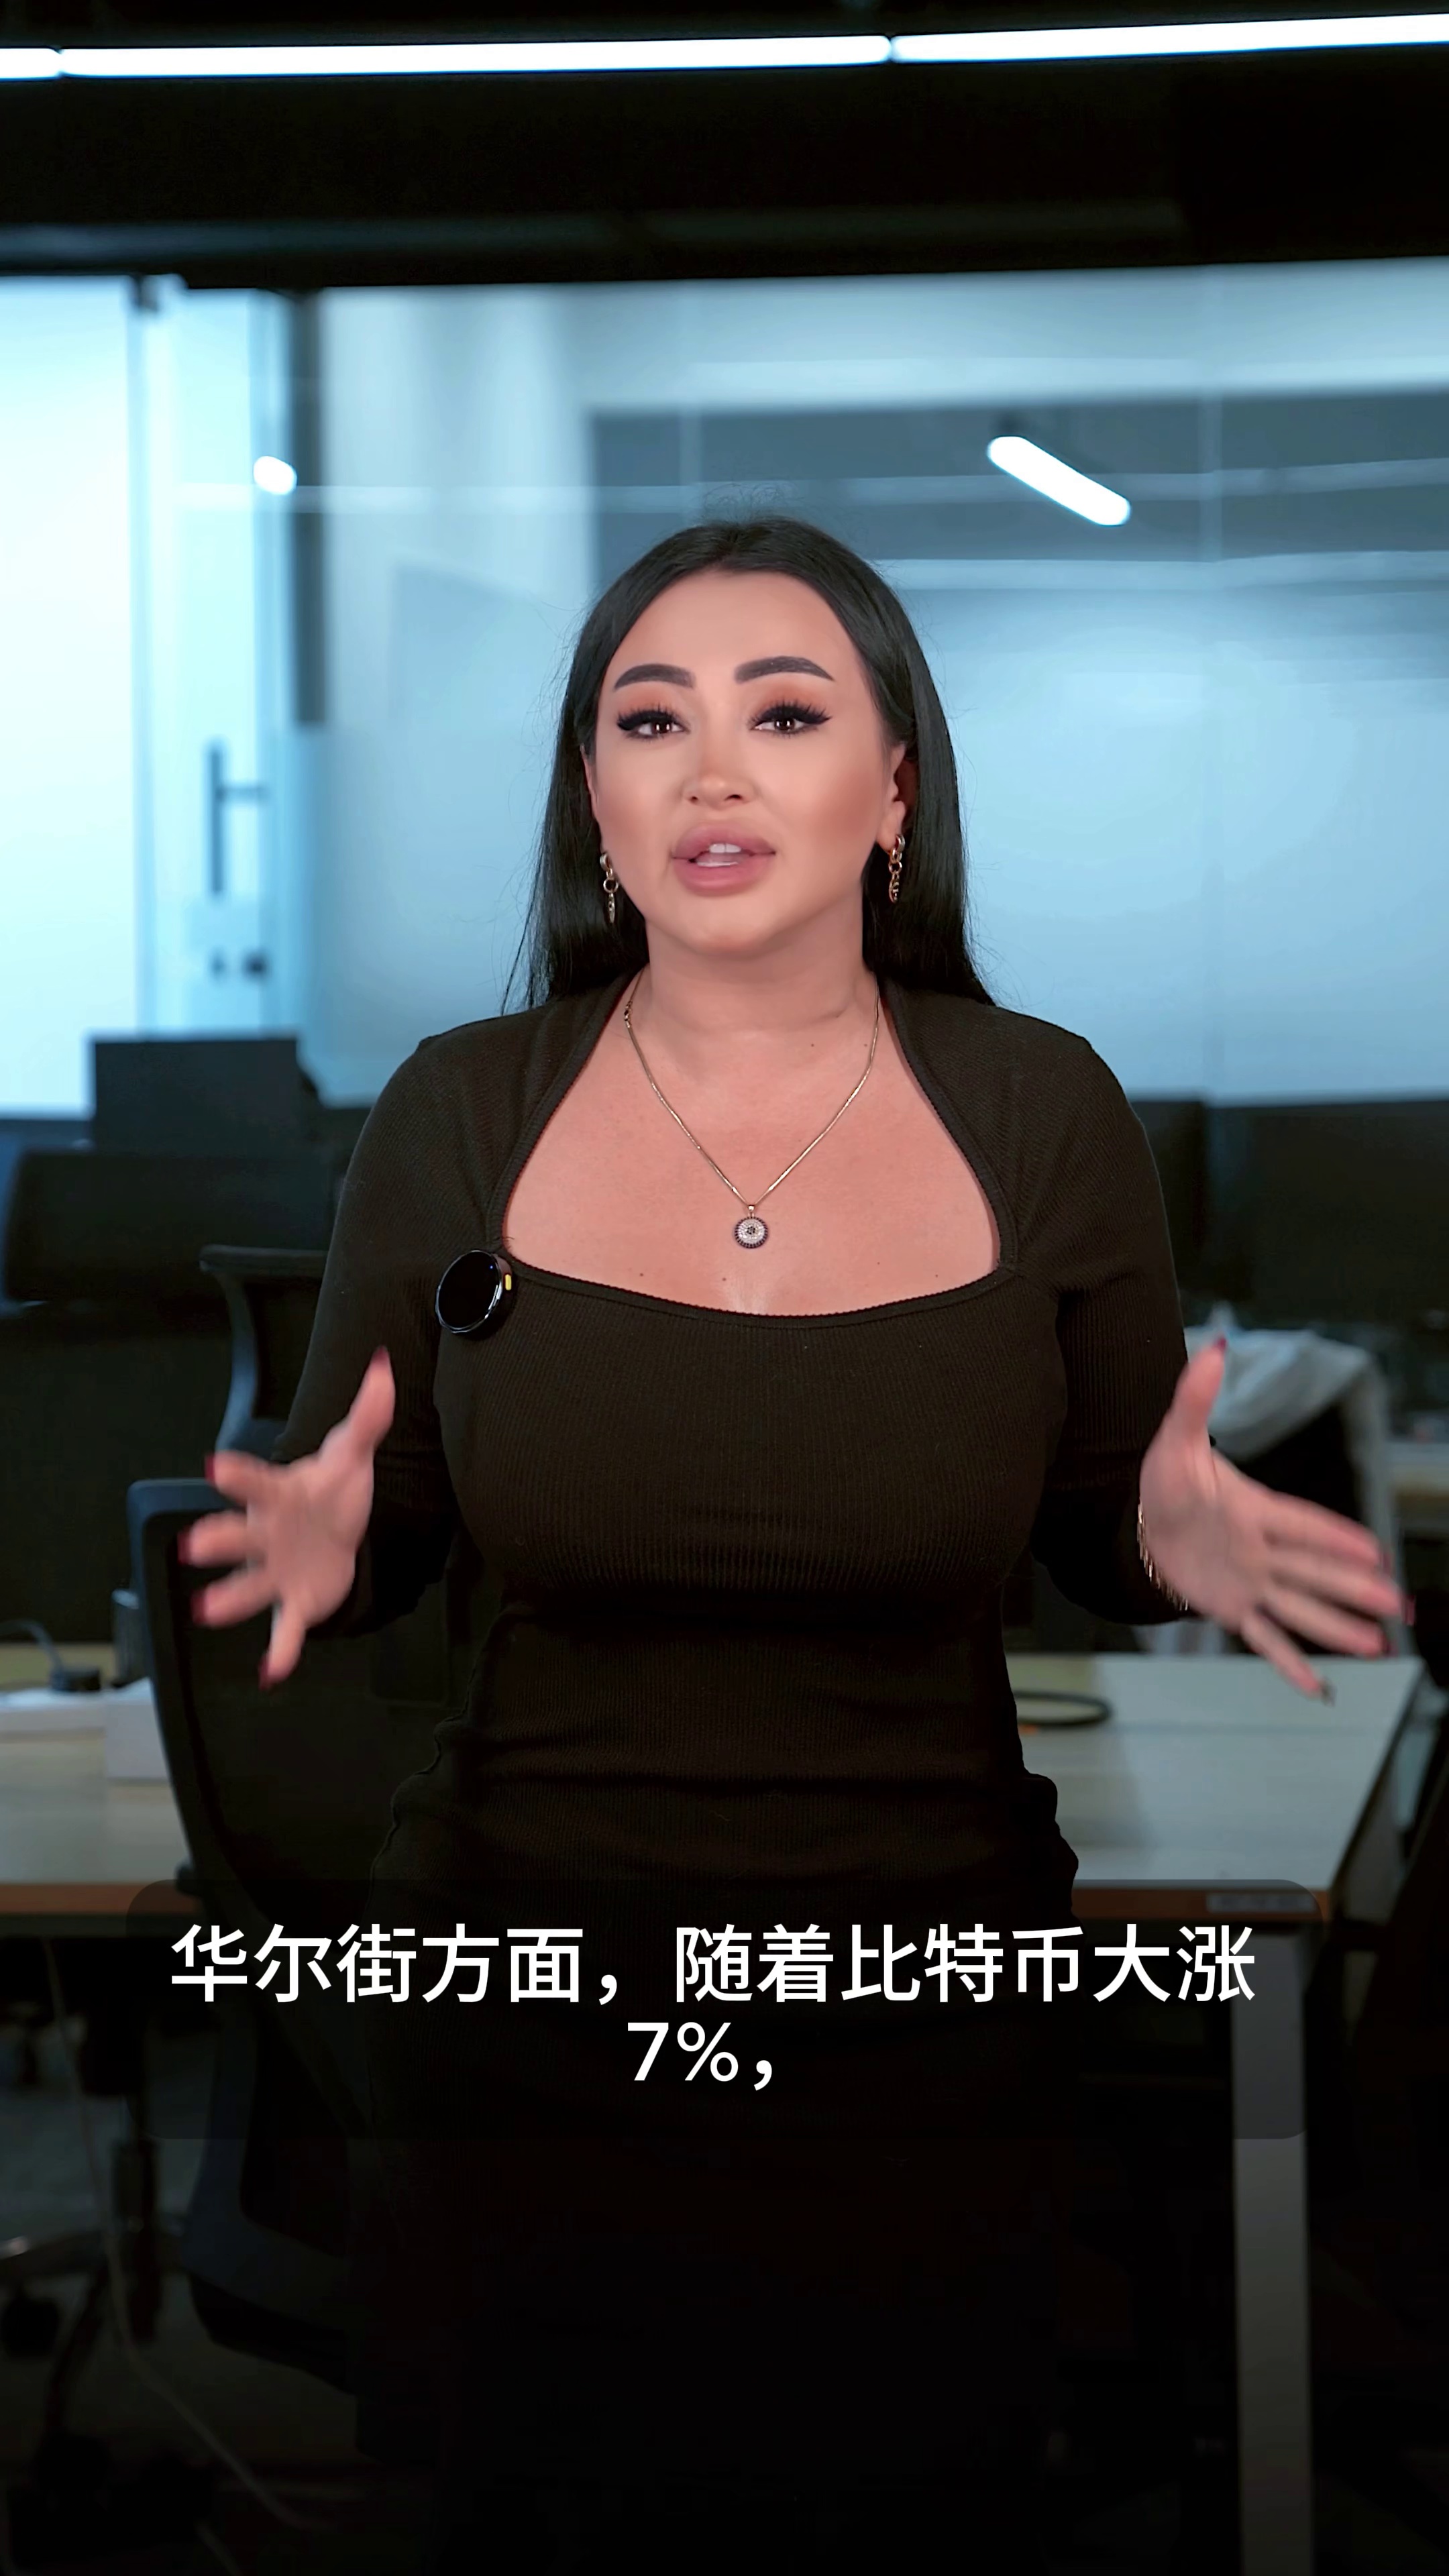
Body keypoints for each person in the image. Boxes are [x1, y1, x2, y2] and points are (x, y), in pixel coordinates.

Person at [180, 517, 1405, 2570]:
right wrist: (331, 1537)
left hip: (920, 2008)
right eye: (651, 720)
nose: (713, 771)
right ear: (593, 795)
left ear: (894, 790)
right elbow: (376, 1515)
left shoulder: (1042, 1113)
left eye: (785, 712)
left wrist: (1163, 1534)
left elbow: (1107, 1519)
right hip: (531, 2008)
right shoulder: (461, 1111)